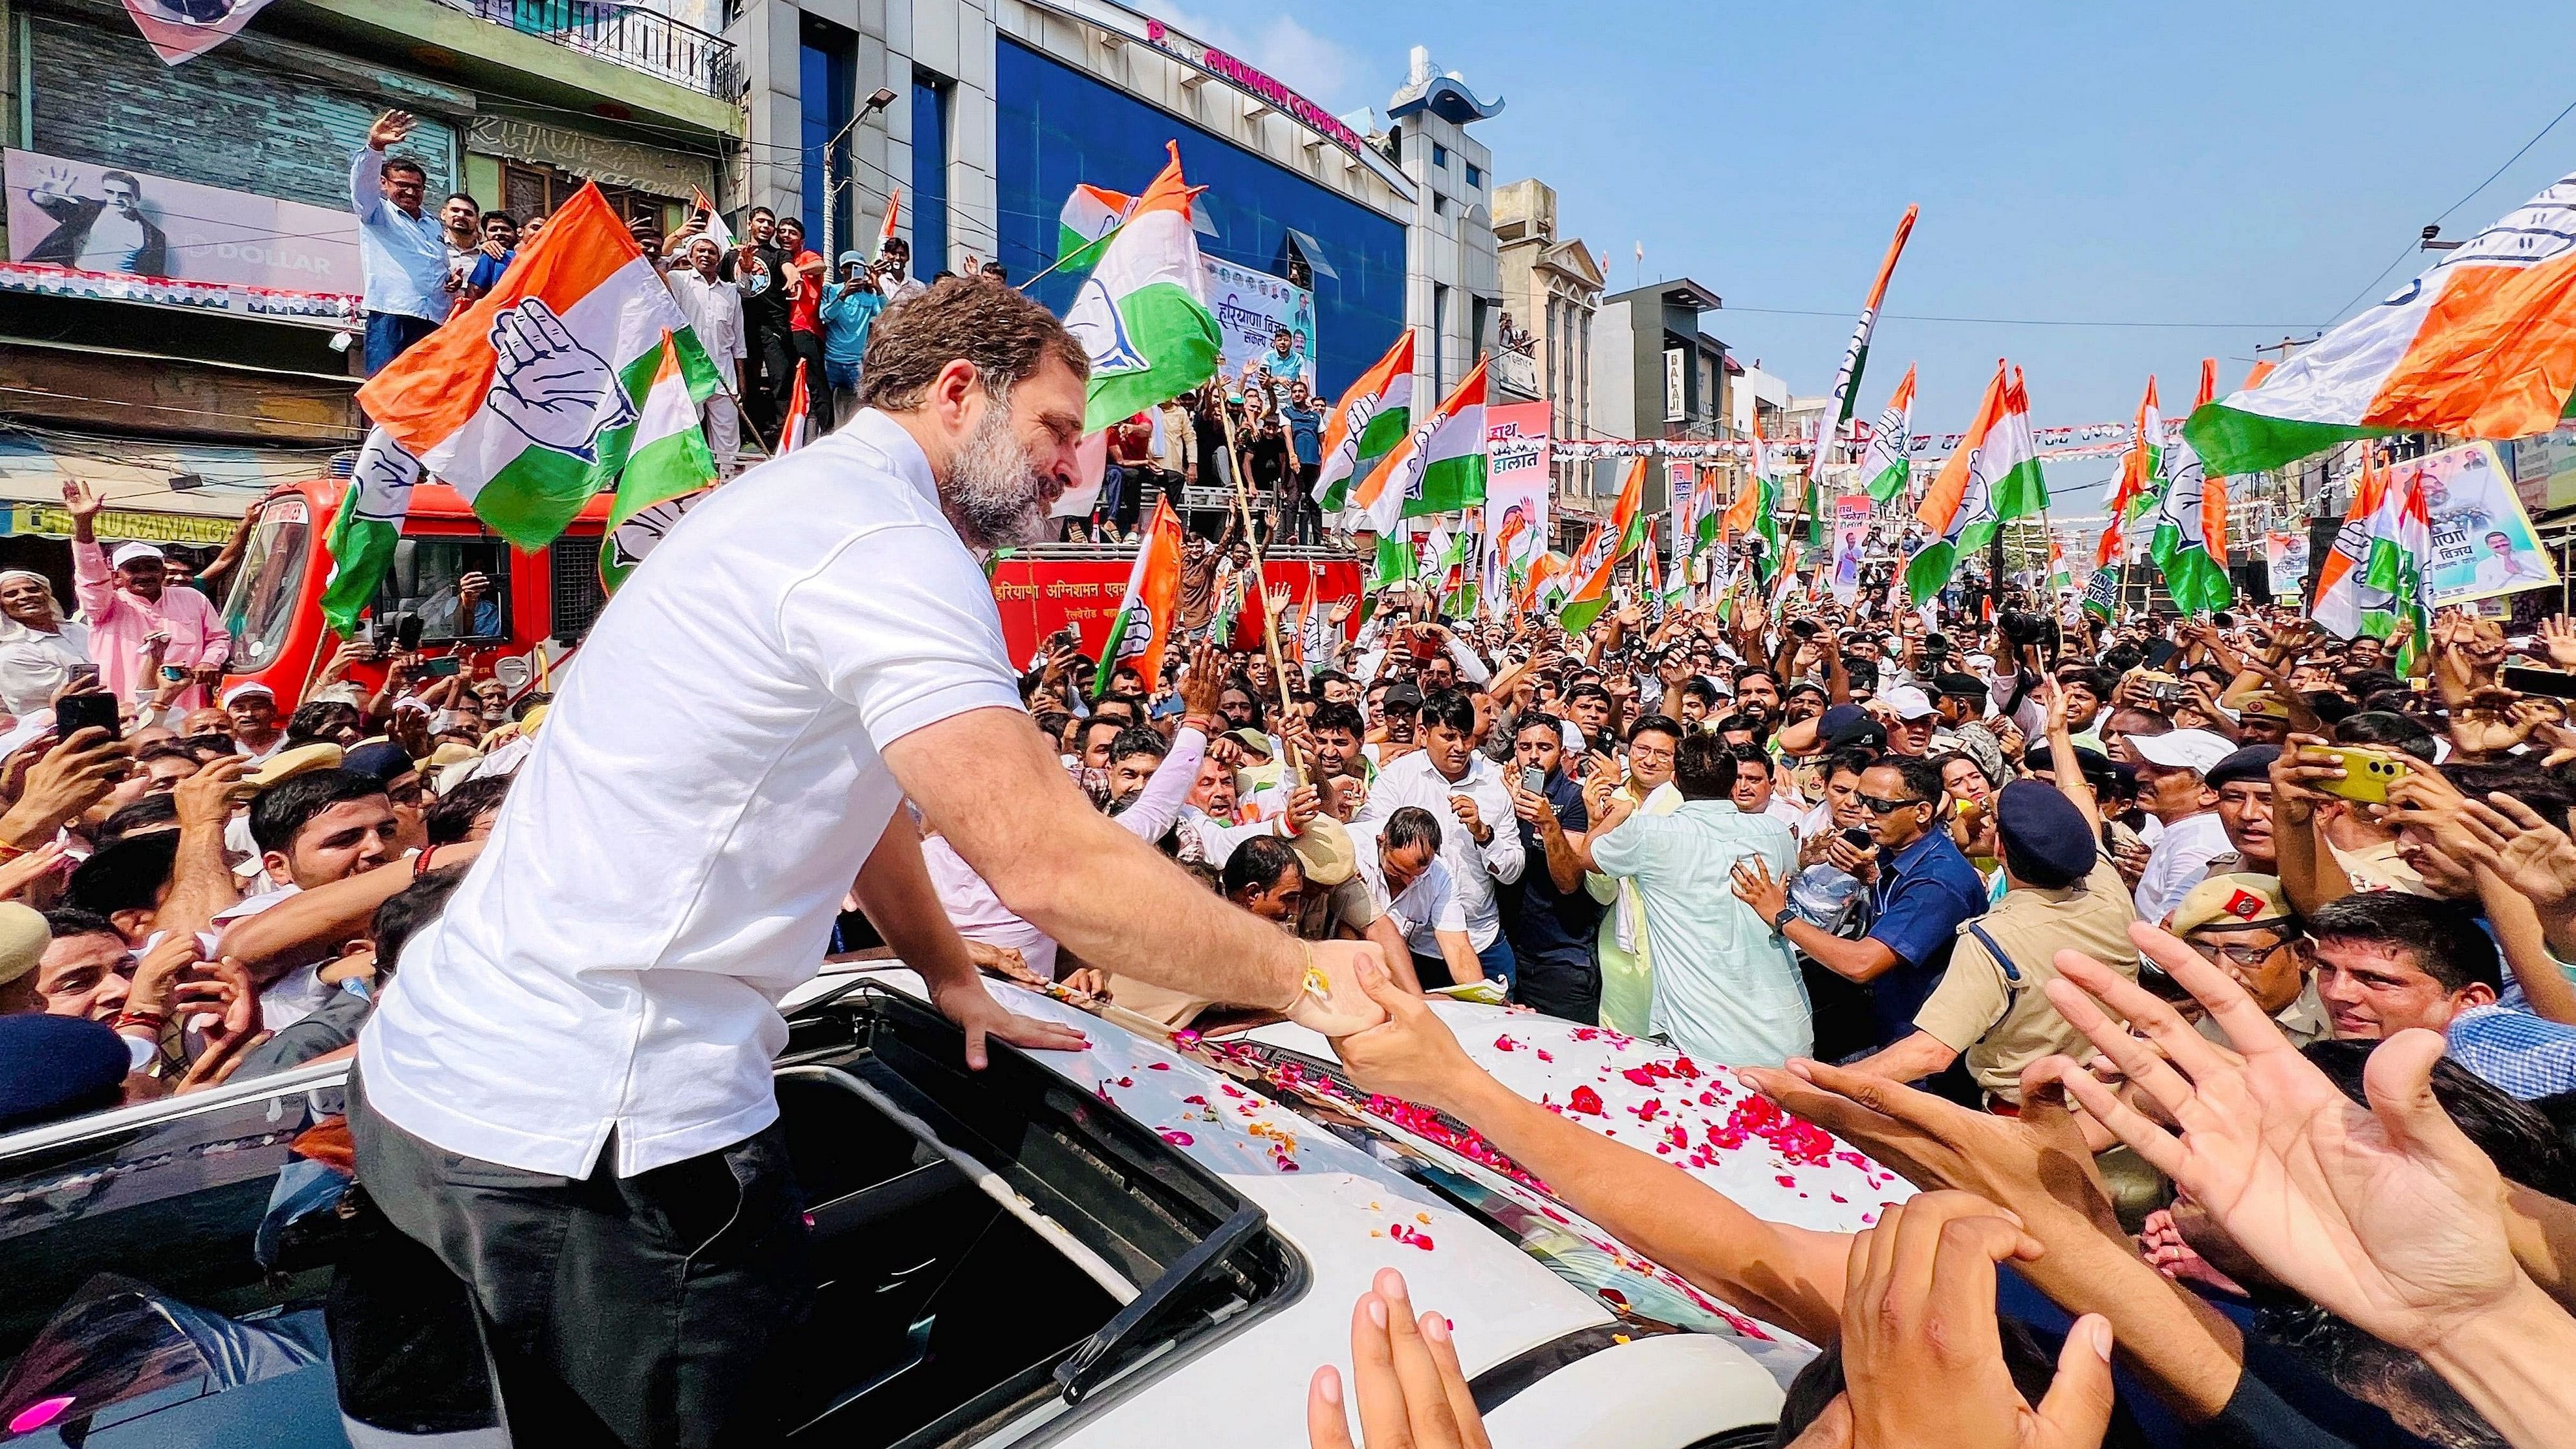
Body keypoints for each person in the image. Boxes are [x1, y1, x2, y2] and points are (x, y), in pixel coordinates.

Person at [348, 278, 1383, 1445]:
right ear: (958, 394)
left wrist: (945, 971)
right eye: (1053, 430)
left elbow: (858, 794)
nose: (1070, 468)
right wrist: (1308, 981)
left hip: (432, 1093)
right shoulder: (883, 540)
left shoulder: (794, 502)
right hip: (600, 1151)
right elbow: (1047, 867)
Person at [1846, 780, 2140, 1104]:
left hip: (2035, 1111)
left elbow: (1930, 1053)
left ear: (2000, 849)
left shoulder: (1991, 939)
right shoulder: (2107, 889)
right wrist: (2057, 737)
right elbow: (2084, 813)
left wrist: (1816, 1085)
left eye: (1992, 820)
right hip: (2112, 1090)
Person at [1735, 754, 1987, 1063]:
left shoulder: (1937, 882)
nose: (1865, 813)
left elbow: (1862, 965)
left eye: (1880, 806)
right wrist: (1870, 879)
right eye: (1861, 799)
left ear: (1922, 812)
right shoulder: (1892, 852)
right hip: (1880, 1020)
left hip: (1918, 1046)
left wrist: (1780, 914)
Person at [1354, 688, 1522, 988]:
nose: (1460, 747)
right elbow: (1371, 842)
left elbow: (1512, 871)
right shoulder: (1398, 777)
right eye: (1448, 737)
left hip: (1483, 940)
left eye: (1467, 737)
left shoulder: (1495, 783)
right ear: (1424, 732)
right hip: (1417, 947)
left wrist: (1485, 836)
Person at [63, 479, 227, 711]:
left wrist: (209, 662)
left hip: (187, 708)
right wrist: (83, 523)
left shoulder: (192, 598)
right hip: (127, 711)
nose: (144, 575)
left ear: (163, 572)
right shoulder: (107, 605)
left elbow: (218, 638)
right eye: (134, 569)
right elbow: (91, 575)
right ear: (117, 576)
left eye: (151, 567)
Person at [1499, 712, 1605, 1021]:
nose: (1533, 755)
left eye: (1544, 747)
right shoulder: (1504, 793)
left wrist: (1547, 822)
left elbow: (1569, 881)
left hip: (1561, 957)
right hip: (1508, 948)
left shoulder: (1574, 798)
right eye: (1524, 746)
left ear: (1561, 752)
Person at [350, 111, 453, 374]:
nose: (410, 191)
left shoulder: (432, 224)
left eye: (417, 187)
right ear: (384, 184)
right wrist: (375, 147)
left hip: (434, 318)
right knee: (385, 387)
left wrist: (450, 282)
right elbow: (362, 186)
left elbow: (433, 266)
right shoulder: (377, 213)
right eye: (402, 184)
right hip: (392, 314)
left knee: (422, 392)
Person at [2127, 727, 2234, 922]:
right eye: (2145, 766)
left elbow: (2171, 933)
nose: (2140, 776)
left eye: (2160, 770)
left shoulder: (2197, 847)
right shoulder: (2188, 834)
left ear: (2208, 792)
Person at [666, 234, 746, 472]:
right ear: (690, 256)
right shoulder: (679, 280)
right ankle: (690, 480)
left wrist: (741, 380)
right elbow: (659, 265)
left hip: (724, 374)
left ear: (719, 259)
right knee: (686, 430)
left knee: (728, 434)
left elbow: (738, 340)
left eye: (712, 252)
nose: (706, 256)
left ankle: (727, 478)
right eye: (700, 251)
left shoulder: (731, 292)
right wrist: (677, 236)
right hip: (689, 373)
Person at [24, 163, 168, 275]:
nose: (117, 199)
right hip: (81, 284)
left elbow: (153, 278)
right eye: (110, 192)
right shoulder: (88, 211)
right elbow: (47, 202)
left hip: (123, 294)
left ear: (136, 197)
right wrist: (46, 193)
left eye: (124, 194)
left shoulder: (154, 236)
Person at [0, 567, 90, 716]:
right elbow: (83, 690)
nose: (25, 596)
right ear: (2, 606)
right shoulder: (12, 654)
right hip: (61, 728)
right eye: (11, 594)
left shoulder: (79, 629)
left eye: (32, 590)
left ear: (46, 594)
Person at [775, 218, 832, 433]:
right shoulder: (778, 260)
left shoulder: (805, 257)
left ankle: (828, 430)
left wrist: (798, 272)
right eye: (783, 232)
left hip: (805, 328)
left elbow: (821, 266)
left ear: (802, 240)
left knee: (816, 383)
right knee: (788, 384)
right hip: (783, 329)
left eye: (793, 232)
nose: (787, 236)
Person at [820, 252, 885, 424]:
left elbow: (886, 315)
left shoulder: (869, 297)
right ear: (842, 270)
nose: (852, 271)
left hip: (856, 363)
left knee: (864, 407)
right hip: (831, 361)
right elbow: (825, 315)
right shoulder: (831, 290)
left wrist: (877, 286)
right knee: (823, 406)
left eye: (857, 268)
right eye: (849, 267)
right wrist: (844, 294)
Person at [1281, 379, 1325, 546]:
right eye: (1294, 392)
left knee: (1315, 501)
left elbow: (1323, 440)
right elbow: (1287, 435)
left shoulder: (1316, 416)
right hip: (1297, 462)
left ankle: (1319, 539)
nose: (1297, 394)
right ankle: (1290, 535)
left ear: (1306, 394)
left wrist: (1325, 461)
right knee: (1293, 499)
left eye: (1300, 391)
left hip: (1314, 463)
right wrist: (1293, 456)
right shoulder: (1286, 412)